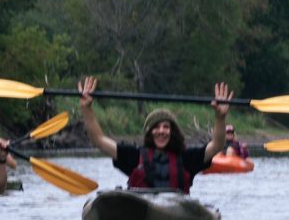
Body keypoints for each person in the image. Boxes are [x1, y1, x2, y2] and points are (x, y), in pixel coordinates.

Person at [79, 76, 231, 192]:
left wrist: (220, 117)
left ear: (172, 132)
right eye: (156, 127)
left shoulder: (187, 158)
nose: (161, 131)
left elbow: (217, 145)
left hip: (176, 213)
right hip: (141, 210)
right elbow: (98, 140)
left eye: (166, 127)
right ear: (149, 133)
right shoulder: (133, 156)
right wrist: (87, 109)